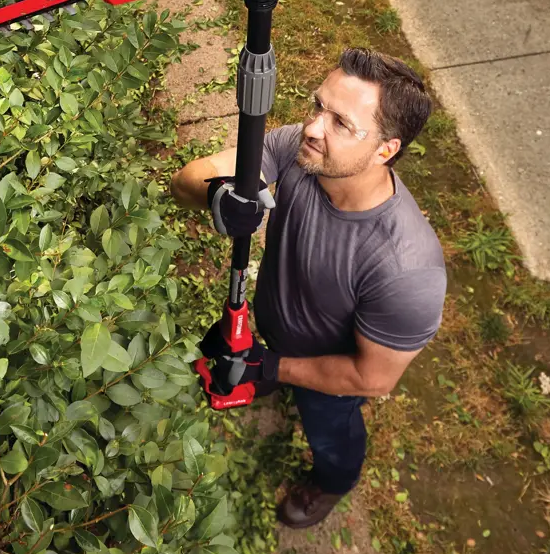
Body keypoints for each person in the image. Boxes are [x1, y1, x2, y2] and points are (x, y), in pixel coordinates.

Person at [170, 48, 447, 529]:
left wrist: (271, 365)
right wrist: (219, 194)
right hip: (277, 325)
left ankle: (331, 483)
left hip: (333, 375)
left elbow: (373, 379)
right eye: (318, 106)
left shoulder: (406, 270)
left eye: (342, 123)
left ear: (386, 150)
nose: (314, 127)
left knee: (331, 431)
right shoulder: (299, 153)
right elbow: (186, 179)